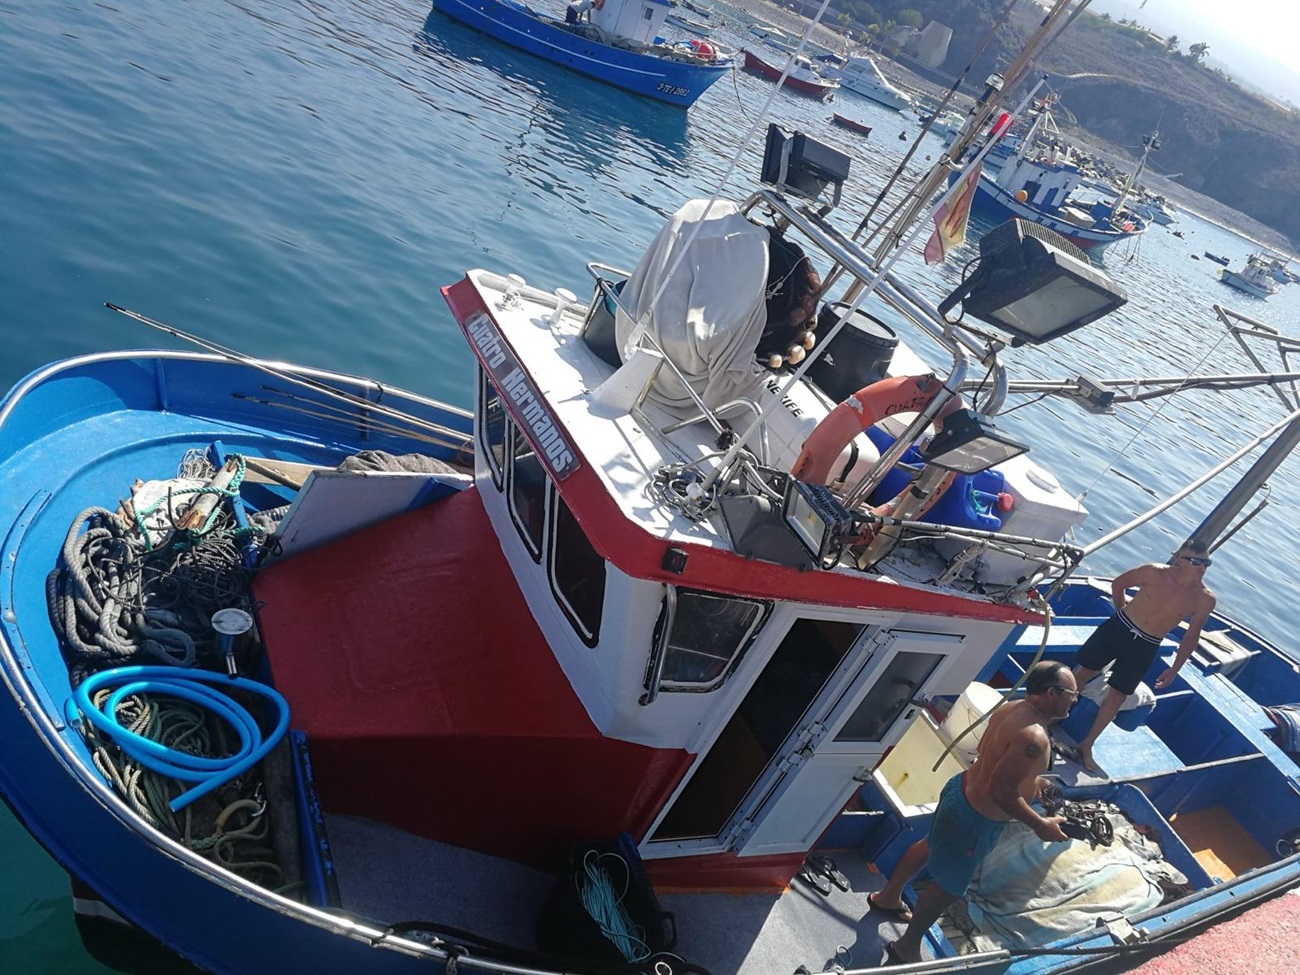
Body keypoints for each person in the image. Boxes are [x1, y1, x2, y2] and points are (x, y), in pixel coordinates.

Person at [868, 662, 1075, 965]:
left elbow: (990, 753)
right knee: (948, 888)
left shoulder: (1012, 707)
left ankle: (887, 897)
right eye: (1073, 694)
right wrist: (1040, 824)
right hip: (976, 820)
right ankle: (907, 946)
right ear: (1053, 693)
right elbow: (1001, 791)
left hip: (960, 790)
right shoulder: (1035, 739)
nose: (1075, 700)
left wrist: (1034, 781)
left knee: (929, 844)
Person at [1070, 542, 1217, 772]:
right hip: (1121, 627)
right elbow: (1118, 584)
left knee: (1118, 695)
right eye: (1196, 562)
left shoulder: (1204, 598)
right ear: (1179, 559)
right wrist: (1121, 612)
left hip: (1147, 643)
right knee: (1083, 672)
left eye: (1206, 563)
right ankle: (1049, 717)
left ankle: (1086, 745)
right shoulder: (1153, 572)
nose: (1202, 567)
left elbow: (1191, 636)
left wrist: (1175, 668)